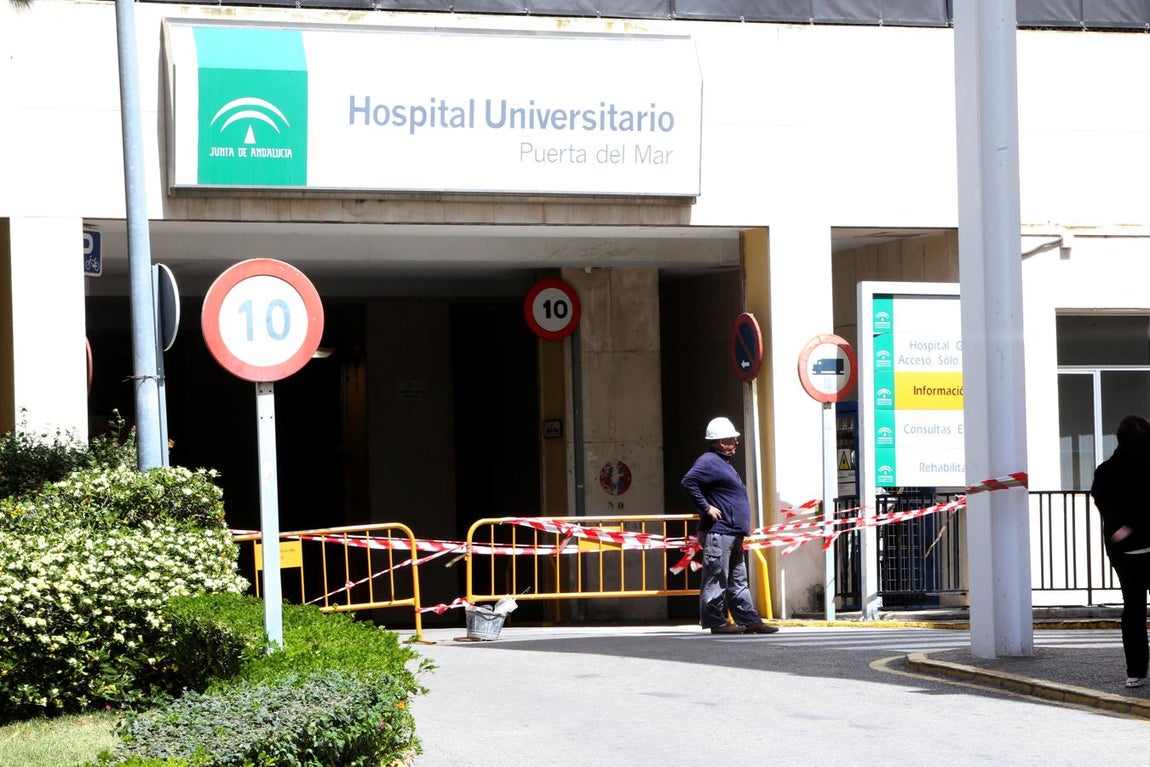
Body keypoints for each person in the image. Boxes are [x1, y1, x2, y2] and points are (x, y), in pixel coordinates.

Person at [681, 416, 778, 635]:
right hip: (719, 532)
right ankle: (716, 621)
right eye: (730, 440)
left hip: (732, 532)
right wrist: (706, 507)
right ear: (717, 442)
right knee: (717, 577)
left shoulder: (722, 464)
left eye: (734, 440)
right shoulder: (708, 461)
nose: (734, 444)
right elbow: (688, 482)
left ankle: (749, 620)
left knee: (737, 578)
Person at [1090, 413, 1150, 688]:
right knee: (1134, 610)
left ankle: (1136, 671)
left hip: (1124, 552)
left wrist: (1121, 528)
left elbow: (1102, 501)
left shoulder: (1107, 470)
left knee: (1133, 609)